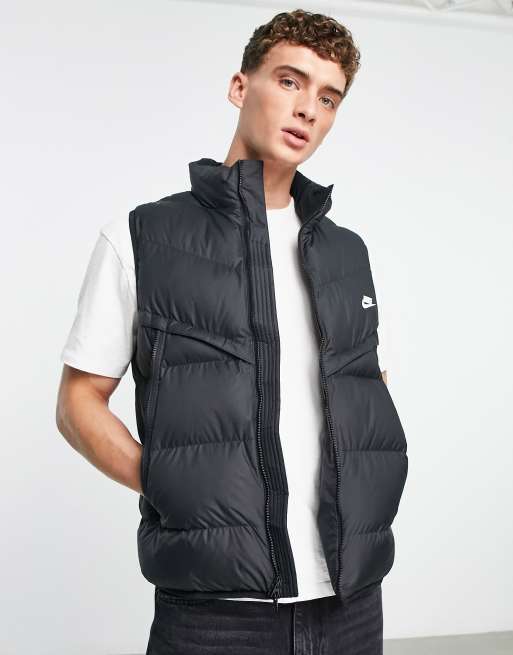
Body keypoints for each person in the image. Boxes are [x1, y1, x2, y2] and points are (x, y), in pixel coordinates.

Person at [56, 9, 407, 654]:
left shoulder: (346, 252)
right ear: (240, 87)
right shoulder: (143, 237)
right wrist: (170, 484)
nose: (307, 109)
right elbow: (78, 401)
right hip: (215, 613)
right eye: (290, 81)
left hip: (352, 601)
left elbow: (363, 385)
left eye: (328, 98)